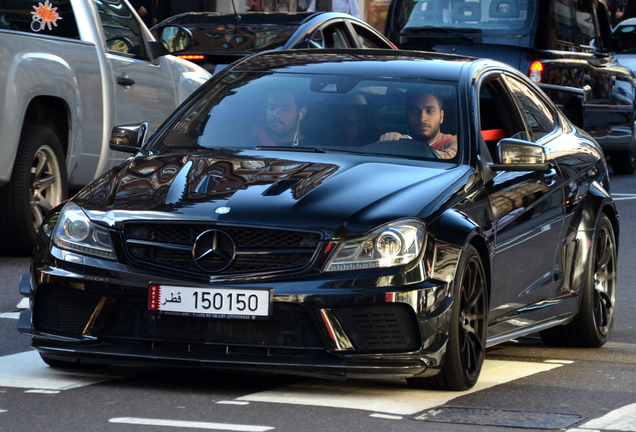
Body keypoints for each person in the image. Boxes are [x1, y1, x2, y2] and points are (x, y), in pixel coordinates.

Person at [380, 91, 457, 159]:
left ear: (441, 116)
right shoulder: (397, 141)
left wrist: (406, 146)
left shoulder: (455, 142)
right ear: (407, 116)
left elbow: (450, 157)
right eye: (415, 111)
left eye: (429, 111)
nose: (422, 118)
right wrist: (389, 143)